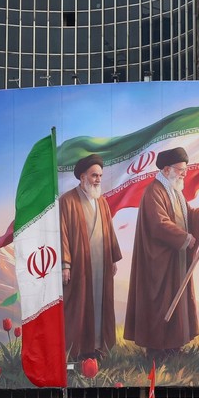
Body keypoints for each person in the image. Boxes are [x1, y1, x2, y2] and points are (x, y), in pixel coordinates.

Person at [123, 147, 199, 356]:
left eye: (184, 170)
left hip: (174, 260)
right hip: (158, 263)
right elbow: (159, 224)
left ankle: (173, 346)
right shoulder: (154, 191)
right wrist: (185, 238)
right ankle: (157, 349)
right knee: (160, 303)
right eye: (180, 170)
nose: (184, 174)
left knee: (175, 303)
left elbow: (189, 215)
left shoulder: (174, 192)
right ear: (167, 169)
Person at [59, 154, 122, 361]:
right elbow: (63, 234)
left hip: (101, 265)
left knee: (100, 305)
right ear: (82, 176)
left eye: (100, 176)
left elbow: (109, 231)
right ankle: (77, 351)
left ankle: (97, 348)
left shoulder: (101, 202)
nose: (97, 179)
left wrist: (112, 258)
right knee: (78, 306)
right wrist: (65, 265)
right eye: (94, 175)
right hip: (79, 266)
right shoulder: (67, 201)